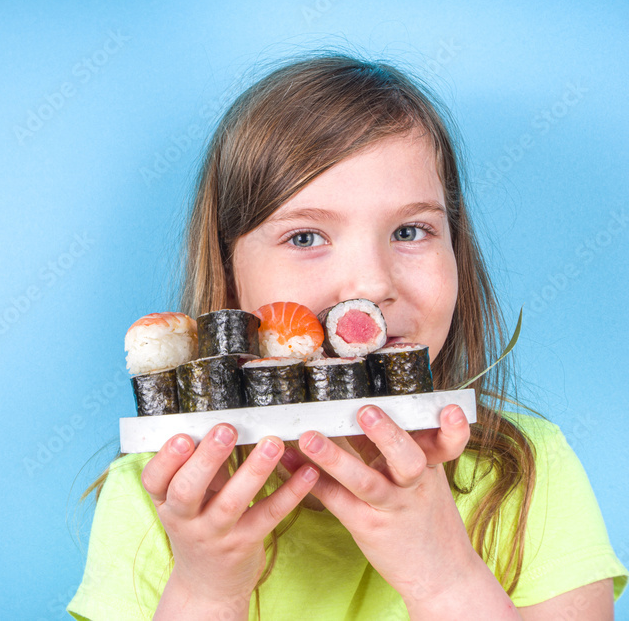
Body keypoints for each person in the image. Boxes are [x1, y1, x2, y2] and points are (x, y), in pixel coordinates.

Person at [66, 53, 628, 620]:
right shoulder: (162, 492)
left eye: (410, 231)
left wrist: (444, 577)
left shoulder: (529, 470)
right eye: (305, 237)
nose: (372, 284)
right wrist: (206, 590)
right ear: (231, 276)